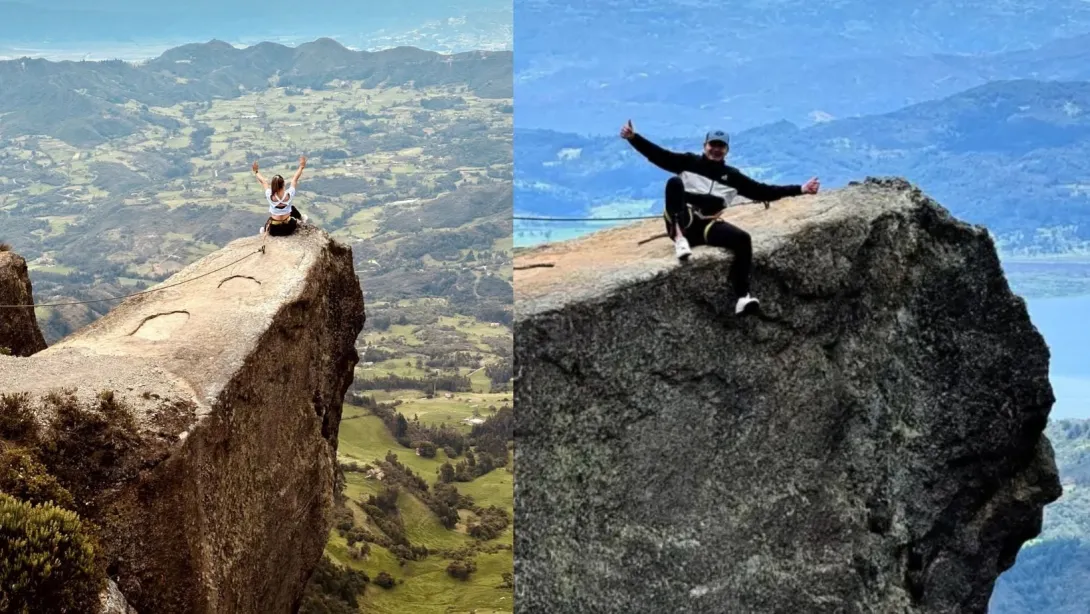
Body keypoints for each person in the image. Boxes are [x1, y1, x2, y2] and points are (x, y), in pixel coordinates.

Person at [620, 120, 819, 314]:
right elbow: (659, 156)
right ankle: (680, 239)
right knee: (674, 183)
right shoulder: (688, 162)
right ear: (704, 146)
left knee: (743, 239)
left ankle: (743, 296)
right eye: (713, 145)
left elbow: (762, 191)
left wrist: (801, 189)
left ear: (727, 150)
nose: (716, 149)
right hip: (682, 219)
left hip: (706, 226)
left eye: (721, 146)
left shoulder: (733, 176)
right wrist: (633, 138)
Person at [252, 156, 308, 235]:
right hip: (289, 228)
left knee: (270, 219)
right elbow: (295, 179)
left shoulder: (270, 195)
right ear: (283, 184)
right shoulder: (289, 194)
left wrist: (256, 172)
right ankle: (301, 218)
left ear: (273, 185)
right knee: (291, 208)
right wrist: (301, 167)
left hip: (274, 230)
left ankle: (264, 231)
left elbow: (263, 182)